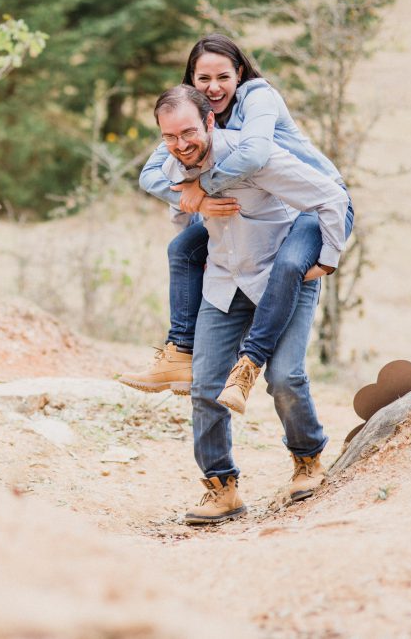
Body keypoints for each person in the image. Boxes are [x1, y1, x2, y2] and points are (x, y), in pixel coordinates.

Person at [118, 34, 355, 415]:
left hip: (315, 202)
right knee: (183, 248)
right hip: (271, 204)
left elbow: (256, 153)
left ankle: (250, 364)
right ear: (190, 81)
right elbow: (150, 174)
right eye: (203, 79)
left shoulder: (257, 98)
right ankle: (179, 350)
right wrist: (191, 201)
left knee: (291, 265)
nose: (213, 87)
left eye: (222, 77)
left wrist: (201, 187)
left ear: (239, 73)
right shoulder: (192, 117)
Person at [150, 85, 347, 524]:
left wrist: (327, 261)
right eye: (169, 136)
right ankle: (222, 489)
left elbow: (329, 196)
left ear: (210, 122)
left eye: (188, 132)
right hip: (222, 284)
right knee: (204, 389)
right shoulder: (173, 166)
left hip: (280, 278)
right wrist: (195, 203)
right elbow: (181, 219)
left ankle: (308, 460)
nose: (181, 144)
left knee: (285, 377)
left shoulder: (254, 155)